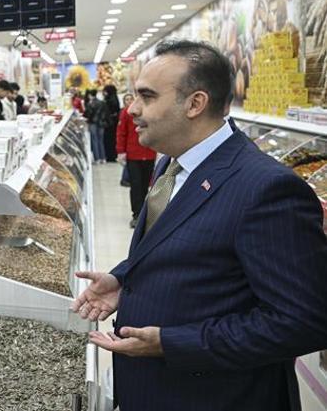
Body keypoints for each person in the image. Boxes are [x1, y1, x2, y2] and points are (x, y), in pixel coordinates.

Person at [72, 40, 327, 411]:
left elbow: (304, 321)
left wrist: (171, 343)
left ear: (195, 103)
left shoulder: (265, 188)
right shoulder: (170, 165)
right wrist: (125, 279)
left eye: (147, 96)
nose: (133, 109)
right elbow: (183, 243)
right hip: (154, 389)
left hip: (215, 396)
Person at [116, 92, 156, 228]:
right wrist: (121, 151)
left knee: (146, 185)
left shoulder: (152, 113)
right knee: (136, 185)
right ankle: (136, 214)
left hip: (149, 154)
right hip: (133, 155)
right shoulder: (127, 113)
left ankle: (143, 212)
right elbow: (121, 132)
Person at [83, 89, 108, 163]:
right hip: (101, 123)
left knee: (94, 140)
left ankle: (97, 159)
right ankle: (103, 158)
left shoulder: (90, 103)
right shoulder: (102, 102)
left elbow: (88, 114)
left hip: (92, 123)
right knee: (101, 140)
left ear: (90, 95)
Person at [102, 84, 121, 162]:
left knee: (108, 141)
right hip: (114, 124)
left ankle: (109, 156)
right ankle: (113, 155)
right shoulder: (115, 99)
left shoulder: (109, 101)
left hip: (109, 125)